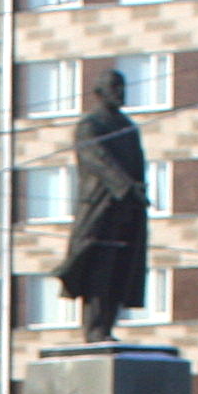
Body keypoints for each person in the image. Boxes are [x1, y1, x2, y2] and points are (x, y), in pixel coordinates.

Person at [54, 68, 149, 345]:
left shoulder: (128, 127)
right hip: (99, 207)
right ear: (99, 93)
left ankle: (107, 326)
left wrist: (138, 193)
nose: (120, 92)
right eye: (114, 87)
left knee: (121, 269)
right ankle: (95, 330)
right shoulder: (91, 125)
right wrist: (126, 187)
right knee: (97, 269)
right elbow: (99, 160)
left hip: (127, 209)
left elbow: (138, 166)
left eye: (122, 86)